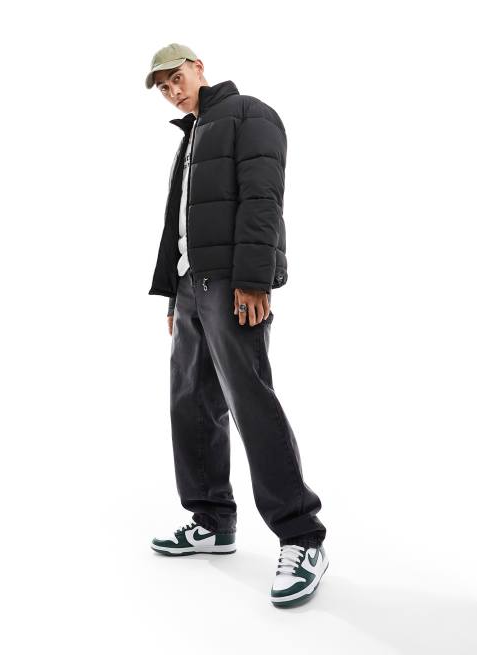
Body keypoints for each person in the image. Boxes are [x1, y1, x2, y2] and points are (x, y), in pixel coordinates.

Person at [145, 43, 328, 607]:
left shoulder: (250, 114)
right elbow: (178, 221)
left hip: (231, 284)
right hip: (191, 286)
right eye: (163, 87)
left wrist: (254, 279)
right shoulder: (191, 136)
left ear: (199, 66)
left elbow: (262, 198)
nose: (173, 91)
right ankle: (212, 519)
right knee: (191, 401)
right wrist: (172, 293)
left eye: (177, 77)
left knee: (250, 401)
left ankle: (302, 536)